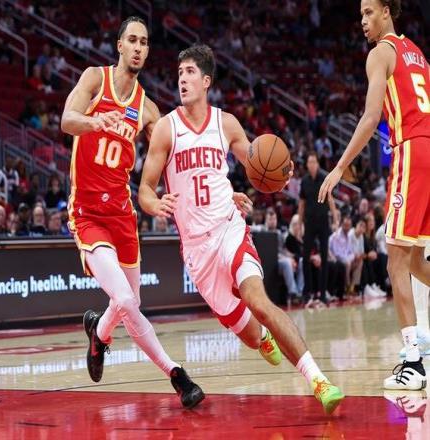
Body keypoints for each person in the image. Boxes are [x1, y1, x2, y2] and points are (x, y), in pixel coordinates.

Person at [139, 43, 344, 415]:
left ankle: (319, 380)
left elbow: (256, 164)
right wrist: (156, 204)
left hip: (228, 228)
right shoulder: (167, 129)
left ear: (206, 81)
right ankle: (262, 337)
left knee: (259, 302)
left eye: (189, 72)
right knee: (250, 334)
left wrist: (280, 173)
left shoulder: (226, 123)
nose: (182, 79)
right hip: (197, 250)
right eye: (179, 72)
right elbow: (144, 190)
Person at [60, 16, 204, 409]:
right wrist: (94, 121)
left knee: (130, 302)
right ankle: (177, 375)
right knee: (123, 298)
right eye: (133, 40)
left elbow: (172, 155)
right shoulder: (95, 79)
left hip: (123, 215)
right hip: (88, 211)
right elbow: (67, 120)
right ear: (120, 45)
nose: (139, 47)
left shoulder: (147, 109)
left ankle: (99, 332)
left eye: (144, 42)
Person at [319, 0, 430, 390]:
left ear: (387, 11)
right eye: (360, 14)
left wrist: (339, 167)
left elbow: (370, 117)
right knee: (414, 259)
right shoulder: (417, 54)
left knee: (394, 262)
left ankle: (413, 364)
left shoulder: (381, 52)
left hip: (412, 150)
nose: (362, 20)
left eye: (369, 12)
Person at [299, 151, 339, 305]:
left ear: (317, 164)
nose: (312, 165)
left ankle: (323, 294)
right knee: (305, 257)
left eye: (314, 162)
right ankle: (307, 293)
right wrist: (299, 224)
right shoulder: (304, 181)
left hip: (323, 222)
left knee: (324, 257)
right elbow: (301, 203)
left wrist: (335, 219)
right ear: (307, 164)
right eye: (309, 162)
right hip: (309, 222)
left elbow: (330, 199)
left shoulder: (324, 178)